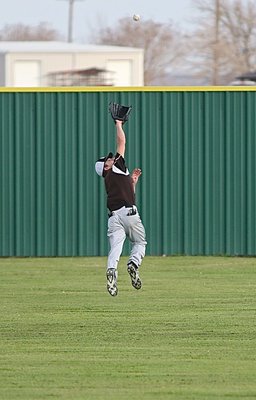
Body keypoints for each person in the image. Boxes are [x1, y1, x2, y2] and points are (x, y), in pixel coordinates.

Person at [95, 119, 147, 296]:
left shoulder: (111, 179)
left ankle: (111, 271)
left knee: (115, 248)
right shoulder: (115, 168)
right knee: (139, 242)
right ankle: (133, 264)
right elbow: (122, 142)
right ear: (106, 167)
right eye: (107, 159)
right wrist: (118, 124)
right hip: (129, 213)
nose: (111, 158)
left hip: (114, 217)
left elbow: (127, 193)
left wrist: (132, 182)